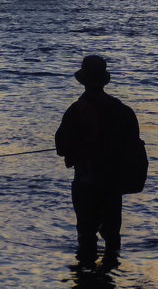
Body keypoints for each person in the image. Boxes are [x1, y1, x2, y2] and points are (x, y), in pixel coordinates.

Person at [55, 55, 141, 269]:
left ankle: (86, 288)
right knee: (112, 237)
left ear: (83, 80)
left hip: (86, 182)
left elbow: (60, 148)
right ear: (103, 80)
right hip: (113, 184)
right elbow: (133, 146)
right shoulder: (122, 110)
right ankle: (110, 280)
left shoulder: (75, 111)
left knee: (86, 237)